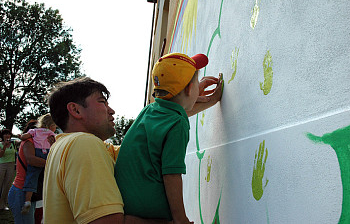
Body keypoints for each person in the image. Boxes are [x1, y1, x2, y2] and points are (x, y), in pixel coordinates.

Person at [44, 74, 221, 224]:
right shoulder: (83, 145)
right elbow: (107, 221)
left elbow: (153, 135)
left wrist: (186, 99)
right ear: (75, 110)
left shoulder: (63, 147)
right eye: (102, 102)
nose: (111, 110)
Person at [114, 53, 223, 223]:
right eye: (196, 82)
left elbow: (177, 110)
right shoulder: (177, 123)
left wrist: (208, 98)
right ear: (188, 89)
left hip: (127, 205)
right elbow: (171, 174)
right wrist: (180, 219)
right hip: (152, 211)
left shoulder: (150, 110)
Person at [8, 119, 54, 224]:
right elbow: (31, 160)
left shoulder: (42, 145)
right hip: (21, 191)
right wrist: (52, 162)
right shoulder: (28, 142)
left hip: (32, 192)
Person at [19, 113, 56, 214]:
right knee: (48, 177)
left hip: (38, 152)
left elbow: (24, 137)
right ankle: (50, 197)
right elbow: (56, 143)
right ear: (51, 126)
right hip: (47, 153)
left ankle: (27, 200)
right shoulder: (50, 133)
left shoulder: (34, 131)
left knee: (32, 176)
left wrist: (20, 136)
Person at [0, 129, 16, 211]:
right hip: (2, 165)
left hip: (11, 165)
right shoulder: (0, 144)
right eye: (5, 134)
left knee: (7, 185)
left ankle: (2, 204)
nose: (7, 135)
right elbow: (1, 155)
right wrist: (5, 147)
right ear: (2, 136)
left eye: (8, 134)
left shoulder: (13, 144)